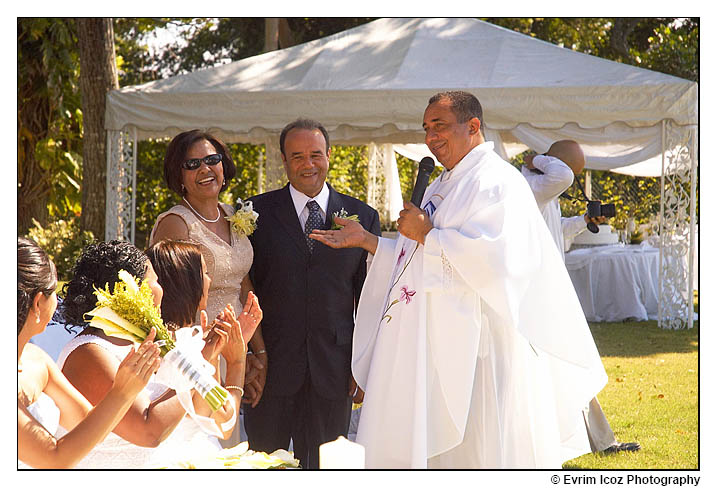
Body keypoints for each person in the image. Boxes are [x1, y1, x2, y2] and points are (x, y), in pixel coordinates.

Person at [310, 91, 608, 468]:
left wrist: (429, 234)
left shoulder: (499, 181)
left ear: (473, 126)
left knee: (478, 450)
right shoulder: (442, 183)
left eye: (440, 126)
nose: (431, 137)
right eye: (426, 129)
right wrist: (369, 241)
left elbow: (499, 261)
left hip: (479, 348)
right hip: (433, 340)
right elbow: (414, 256)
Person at [243, 118, 381, 469]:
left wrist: (364, 366)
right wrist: (248, 357)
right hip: (269, 369)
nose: (308, 164)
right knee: (261, 466)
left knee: (327, 469)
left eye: (315, 155)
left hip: (333, 371)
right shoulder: (254, 214)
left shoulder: (362, 217)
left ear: (329, 155)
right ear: (284, 160)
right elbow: (244, 288)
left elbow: (369, 299)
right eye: (298, 156)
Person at [57, 240, 237, 468]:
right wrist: (196, 365)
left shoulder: (140, 342)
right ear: (130, 291)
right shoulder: (90, 353)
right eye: (156, 281)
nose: (162, 289)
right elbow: (149, 431)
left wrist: (209, 358)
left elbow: (209, 415)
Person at [522, 140, 641, 454]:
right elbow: (561, 176)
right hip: (535, 298)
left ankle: (602, 440)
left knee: (574, 364)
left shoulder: (539, 188)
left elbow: (553, 229)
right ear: (550, 162)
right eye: (572, 170)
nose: (571, 179)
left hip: (549, 296)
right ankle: (585, 441)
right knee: (566, 365)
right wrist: (537, 158)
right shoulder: (531, 184)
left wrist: (584, 223)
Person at [149, 130, 267, 415]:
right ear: (179, 176)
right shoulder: (176, 224)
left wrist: (256, 353)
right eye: (192, 164)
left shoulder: (233, 214)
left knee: (230, 439)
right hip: (199, 351)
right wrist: (204, 355)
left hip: (237, 345)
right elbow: (169, 303)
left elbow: (244, 286)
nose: (204, 168)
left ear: (223, 166)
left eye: (211, 160)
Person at [18, 237, 161, 469]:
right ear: (37, 303)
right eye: (53, 291)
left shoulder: (37, 360)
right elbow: (55, 459)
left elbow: (88, 425)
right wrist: (122, 392)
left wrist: (128, 386)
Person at [145, 238, 263, 427]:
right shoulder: (181, 345)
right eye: (206, 273)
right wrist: (236, 360)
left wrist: (219, 350)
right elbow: (224, 423)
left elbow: (207, 414)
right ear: (189, 284)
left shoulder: (174, 338)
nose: (210, 281)